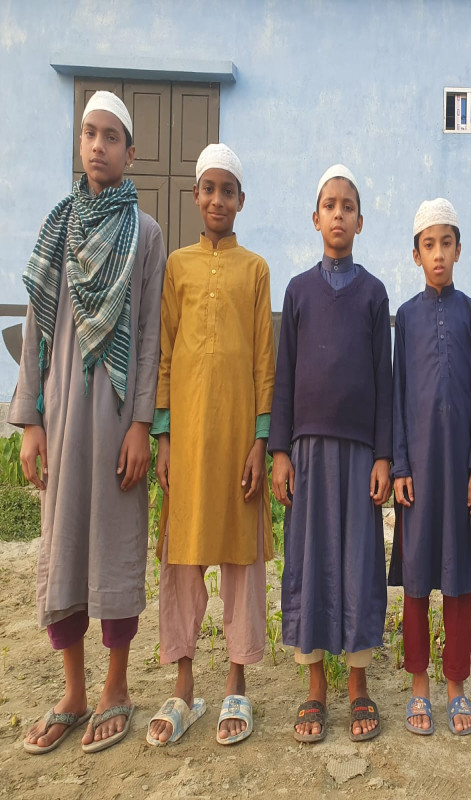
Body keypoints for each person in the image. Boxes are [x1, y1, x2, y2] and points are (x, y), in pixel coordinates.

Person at [12, 91, 166, 754]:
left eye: (111, 136)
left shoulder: (148, 234)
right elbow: (36, 330)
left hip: (115, 422)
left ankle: (117, 688)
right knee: (65, 545)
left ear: (131, 154)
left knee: (115, 545)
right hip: (64, 420)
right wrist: (29, 422)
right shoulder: (59, 226)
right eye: (89, 133)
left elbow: (152, 335)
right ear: (80, 144)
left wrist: (141, 425)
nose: (98, 145)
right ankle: (74, 692)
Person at [147, 143, 275, 747]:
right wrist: (164, 435)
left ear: (241, 201)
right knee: (183, 559)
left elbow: (264, 365)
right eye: (209, 189)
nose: (218, 199)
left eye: (228, 190)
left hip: (237, 442)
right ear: (195, 197)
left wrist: (261, 440)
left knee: (242, 562)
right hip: (190, 442)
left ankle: (235, 686)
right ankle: (182, 687)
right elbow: (165, 356)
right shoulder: (177, 266)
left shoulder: (255, 269)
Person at [269, 164, 391, 743]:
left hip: (360, 451)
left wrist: (384, 456)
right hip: (308, 451)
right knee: (312, 562)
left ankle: (358, 687)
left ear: (360, 221)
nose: (338, 213)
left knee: (360, 564)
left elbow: (384, 381)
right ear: (315, 218)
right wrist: (279, 452)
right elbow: (283, 377)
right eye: (329, 204)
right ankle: (315, 687)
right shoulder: (297, 290)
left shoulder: (374, 293)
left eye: (348, 205)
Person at [388, 198, 471, 736]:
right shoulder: (406, 315)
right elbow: (400, 393)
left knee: (457, 581)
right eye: (429, 245)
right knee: (418, 577)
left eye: (447, 243)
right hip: (419, 473)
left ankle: (456, 686)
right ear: (416, 254)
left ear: (459, 249)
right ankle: (419, 686)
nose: (439, 254)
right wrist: (401, 464)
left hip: (458, 472)